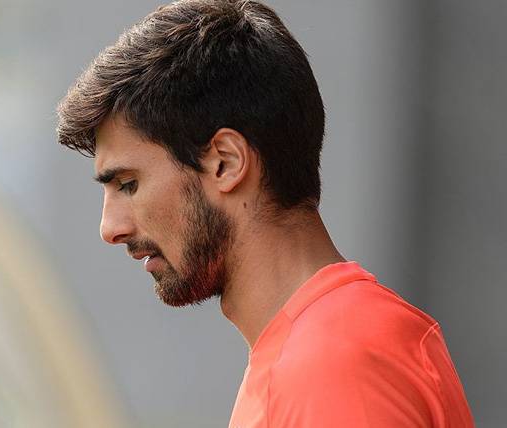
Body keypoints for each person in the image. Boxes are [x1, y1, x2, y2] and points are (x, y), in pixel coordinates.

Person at [56, 0, 474, 426]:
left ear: (225, 162)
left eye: (129, 184)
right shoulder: (318, 348)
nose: (111, 228)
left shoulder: (334, 364)